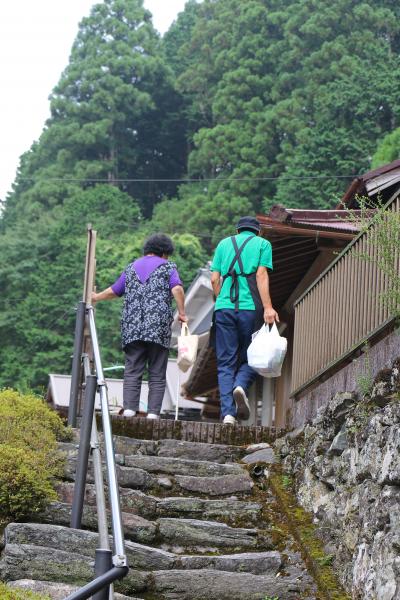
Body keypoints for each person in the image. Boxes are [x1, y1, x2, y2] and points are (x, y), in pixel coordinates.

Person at [92, 233, 187, 419]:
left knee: (133, 369)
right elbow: (177, 288)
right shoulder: (168, 267)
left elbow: (114, 291)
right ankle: (152, 414)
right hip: (157, 327)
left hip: (132, 327)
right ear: (164, 253)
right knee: (157, 371)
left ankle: (129, 410)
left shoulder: (131, 268)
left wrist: (95, 297)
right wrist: (182, 313)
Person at [210, 216, 279, 425]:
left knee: (225, 362)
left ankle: (228, 414)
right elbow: (261, 275)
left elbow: (214, 278)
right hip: (250, 309)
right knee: (254, 355)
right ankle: (241, 384)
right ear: (258, 231)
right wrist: (268, 307)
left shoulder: (224, 244)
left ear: (237, 230)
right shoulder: (263, 244)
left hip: (224, 309)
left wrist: (221, 297)